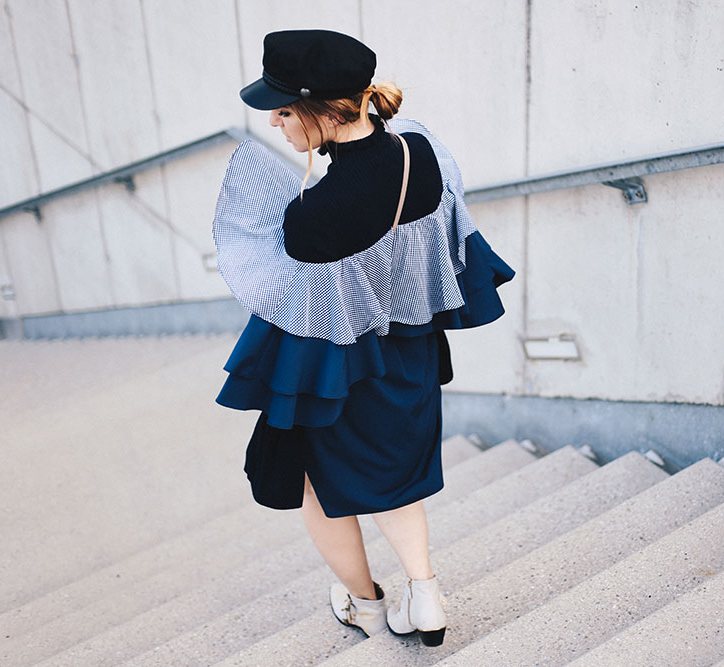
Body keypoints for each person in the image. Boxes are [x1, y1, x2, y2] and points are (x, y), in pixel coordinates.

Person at [211, 30, 514, 647]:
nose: (274, 120)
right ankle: (424, 594)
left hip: (334, 366)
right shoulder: (420, 150)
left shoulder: (315, 216)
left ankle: (366, 605)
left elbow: (282, 285)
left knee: (314, 480)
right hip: (412, 351)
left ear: (322, 110)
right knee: (392, 473)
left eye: (285, 108)